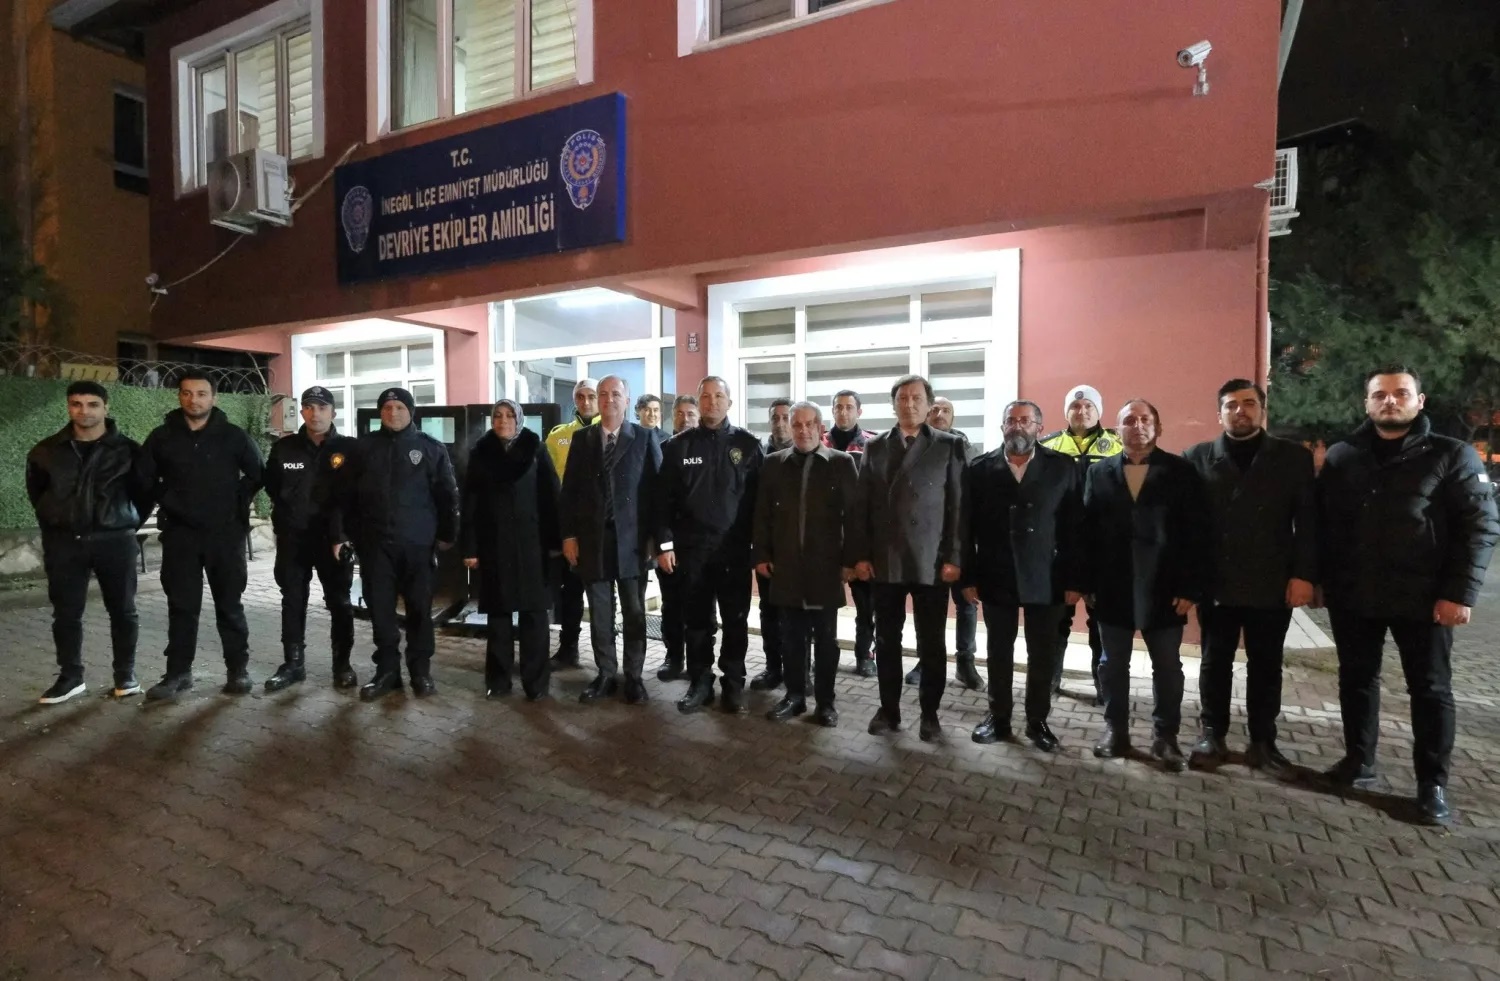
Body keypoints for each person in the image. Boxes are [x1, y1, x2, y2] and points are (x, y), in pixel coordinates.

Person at [1317, 366, 1498, 825]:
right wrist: (1319, 580)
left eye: (1401, 393)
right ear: (1367, 403)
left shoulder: (1452, 454)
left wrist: (1460, 593)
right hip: (1355, 593)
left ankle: (1431, 784)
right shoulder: (1343, 455)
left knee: (1431, 690)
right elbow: (1324, 524)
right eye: (1380, 394)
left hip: (1425, 597)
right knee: (1357, 681)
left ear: (1420, 401)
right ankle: (1359, 761)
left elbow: (1480, 526)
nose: (1390, 401)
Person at [1183, 379, 1318, 776]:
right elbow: (1186, 527)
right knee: (1215, 662)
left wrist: (1304, 575)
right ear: (1219, 414)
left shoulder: (1293, 458)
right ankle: (1212, 735)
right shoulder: (1197, 458)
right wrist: (1189, 580)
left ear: (1262, 410)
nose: (1240, 411)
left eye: (1248, 403)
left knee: (1266, 665)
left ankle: (1263, 742)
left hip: (1271, 581)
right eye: (1231, 405)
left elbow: (1308, 523)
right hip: (1217, 581)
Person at [1083, 399, 1208, 771]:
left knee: (1167, 667)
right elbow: (1086, 531)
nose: (1137, 426)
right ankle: (1115, 731)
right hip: (1113, 586)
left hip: (1165, 587)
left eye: (1144, 419)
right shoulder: (1098, 472)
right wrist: (1086, 581)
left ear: (1157, 427)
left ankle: (1165, 737)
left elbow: (1196, 533)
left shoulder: (1181, 471)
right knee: (1111, 665)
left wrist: (1190, 586)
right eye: (1129, 420)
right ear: (1117, 429)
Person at [849, 375, 966, 743]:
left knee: (931, 642)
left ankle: (930, 714)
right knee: (887, 641)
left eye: (917, 398)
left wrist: (955, 557)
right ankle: (889, 709)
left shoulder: (949, 445)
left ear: (929, 405)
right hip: (886, 559)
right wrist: (860, 555)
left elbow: (959, 507)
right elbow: (862, 506)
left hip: (932, 560)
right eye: (902, 398)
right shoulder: (875, 446)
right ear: (893, 404)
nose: (909, 404)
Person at [136, 372, 264, 700]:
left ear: (213, 398)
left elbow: (257, 474)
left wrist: (236, 502)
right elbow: (144, 478)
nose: (194, 400)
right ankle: (178, 674)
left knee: (230, 605)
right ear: (179, 396)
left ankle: (238, 670)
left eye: (202, 393)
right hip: (180, 535)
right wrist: (166, 498)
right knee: (182, 607)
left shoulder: (234, 436)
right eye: (187, 393)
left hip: (225, 535)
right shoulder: (162, 437)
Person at [963, 400, 1083, 751]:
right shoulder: (979, 468)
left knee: (1042, 653)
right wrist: (968, 576)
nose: (1017, 425)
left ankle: (1037, 721)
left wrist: (1075, 579)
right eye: (1011, 420)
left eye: (1025, 420)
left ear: (1039, 427)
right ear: (1002, 427)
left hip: (1047, 575)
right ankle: (998, 717)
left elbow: (1076, 528)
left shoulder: (1063, 467)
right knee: (998, 650)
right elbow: (964, 527)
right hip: (995, 573)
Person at [331, 387, 459, 702]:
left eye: (399, 407)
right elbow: (343, 497)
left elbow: (447, 495)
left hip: (417, 544)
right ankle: (387, 672)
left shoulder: (430, 448)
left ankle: (421, 672)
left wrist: (447, 536)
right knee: (381, 610)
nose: (393, 413)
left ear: (411, 411)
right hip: (375, 546)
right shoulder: (363, 448)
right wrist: (341, 535)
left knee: (419, 610)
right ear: (380, 413)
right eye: (387, 408)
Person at [25, 381, 147, 703]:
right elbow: (38, 493)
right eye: (76, 404)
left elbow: (143, 494)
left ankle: (126, 676)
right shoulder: (46, 451)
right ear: (68, 407)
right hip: (65, 543)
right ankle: (70, 677)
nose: (84, 411)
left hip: (115, 541)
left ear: (106, 407)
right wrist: (57, 523)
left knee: (123, 610)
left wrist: (121, 522)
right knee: (66, 613)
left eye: (92, 404)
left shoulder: (129, 451)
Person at [656, 376, 764, 714]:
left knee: (735, 621)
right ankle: (700, 682)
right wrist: (664, 545)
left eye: (719, 396)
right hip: (692, 551)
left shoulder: (748, 446)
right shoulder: (678, 446)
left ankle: (733, 683)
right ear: (698, 401)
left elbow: (760, 504)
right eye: (706, 396)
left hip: (734, 551)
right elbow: (663, 502)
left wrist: (760, 549)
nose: (712, 402)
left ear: (729, 402)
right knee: (697, 622)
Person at [753, 402, 859, 727]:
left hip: (825, 569)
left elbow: (854, 517)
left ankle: (825, 703)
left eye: (809, 424)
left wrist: (850, 562)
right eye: (796, 425)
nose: (802, 430)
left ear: (820, 428)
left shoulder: (841, 463)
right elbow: (762, 514)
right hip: (786, 567)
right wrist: (761, 555)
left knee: (826, 641)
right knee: (791, 638)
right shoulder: (773, 463)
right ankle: (794, 696)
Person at [561, 375, 662, 705]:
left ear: (627, 400)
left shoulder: (644, 438)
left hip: (633, 542)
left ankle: (634, 676)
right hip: (593, 541)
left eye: (615, 394)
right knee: (600, 614)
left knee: (634, 613)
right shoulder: (582, 439)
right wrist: (569, 536)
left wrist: (657, 540)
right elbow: (570, 492)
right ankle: (605, 673)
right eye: (602, 394)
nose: (608, 399)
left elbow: (657, 494)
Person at [262, 386, 361, 692]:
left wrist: (343, 534)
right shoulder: (285, 448)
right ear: (302, 411)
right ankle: (293, 665)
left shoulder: (350, 449)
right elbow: (272, 486)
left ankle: (342, 665)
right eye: (309, 407)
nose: (315, 413)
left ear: (333, 412)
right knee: (292, 600)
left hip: (335, 542)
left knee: (340, 602)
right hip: (294, 540)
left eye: (322, 407)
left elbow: (357, 497)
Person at [461, 399, 560, 701]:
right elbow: (470, 503)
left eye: (509, 415)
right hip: (494, 545)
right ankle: (499, 680)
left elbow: (551, 497)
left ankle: (536, 683)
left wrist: (555, 543)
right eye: (497, 415)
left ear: (519, 419)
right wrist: (470, 547)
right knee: (499, 617)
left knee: (534, 617)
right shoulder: (481, 452)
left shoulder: (535, 449)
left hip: (532, 545)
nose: (503, 420)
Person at [1041, 383, 1123, 703]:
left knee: (1100, 621)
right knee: (1055, 619)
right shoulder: (1048, 445)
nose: (1082, 411)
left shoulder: (1116, 445)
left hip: (1101, 548)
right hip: (1060, 547)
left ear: (1098, 411)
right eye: (1075, 406)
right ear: (1067, 412)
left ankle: (1103, 684)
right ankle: (1050, 679)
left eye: (1089, 406)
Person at [905, 395, 983, 691]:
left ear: (953, 417)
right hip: (928, 544)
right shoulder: (916, 449)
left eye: (946, 410)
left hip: (962, 541)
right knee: (926, 608)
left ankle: (966, 663)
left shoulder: (967, 449)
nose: (939, 414)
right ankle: (925, 661)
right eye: (934, 409)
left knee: (966, 604)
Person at [823, 389, 878, 677]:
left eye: (849, 407)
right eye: (838, 407)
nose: (843, 412)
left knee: (867, 606)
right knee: (823, 604)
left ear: (859, 411)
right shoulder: (818, 442)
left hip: (859, 538)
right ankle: (823, 652)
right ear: (832, 410)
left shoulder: (873, 444)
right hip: (825, 539)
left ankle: (864, 654)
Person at [545, 378, 599, 669]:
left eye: (591, 396)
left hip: (601, 527)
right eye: (580, 396)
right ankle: (568, 649)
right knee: (570, 592)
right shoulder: (558, 436)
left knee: (603, 595)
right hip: (569, 526)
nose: (586, 402)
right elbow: (547, 483)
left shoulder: (613, 431)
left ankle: (606, 658)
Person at [654, 395, 701, 682]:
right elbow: (658, 503)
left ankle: (698, 664)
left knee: (700, 609)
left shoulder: (707, 448)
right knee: (671, 606)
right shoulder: (663, 449)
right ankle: (673, 657)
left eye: (690, 414)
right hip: (671, 544)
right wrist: (662, 544)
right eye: (680, 414)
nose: (685, 419)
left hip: (700, 547)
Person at [751, 398, 794, 693]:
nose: (780, 423)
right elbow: (756, 509)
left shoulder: (806, 453)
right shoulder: (758, 456)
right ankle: (773, 668)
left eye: (785, 417)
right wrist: (760, 552)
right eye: (775, 418)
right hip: (768, 551)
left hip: (799, 554)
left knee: (798, 617)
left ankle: (798, 671)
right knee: (769, 614)